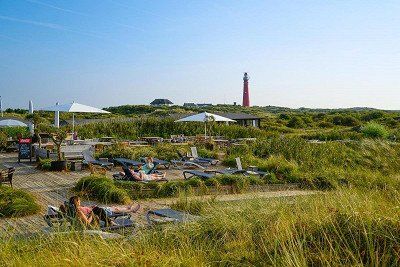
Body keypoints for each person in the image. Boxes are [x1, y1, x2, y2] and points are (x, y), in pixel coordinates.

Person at [68, 196, 140, 227]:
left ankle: (129, 208)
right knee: (115, 209)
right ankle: (131, 210)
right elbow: (87, 223)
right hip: (94, 219)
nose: (80, 201)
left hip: (95, 211)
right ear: (77, 202)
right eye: (79, 200)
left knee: (113, 208)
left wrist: (91, 208)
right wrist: (92, 214)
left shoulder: (77, 208)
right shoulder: (79, 211)